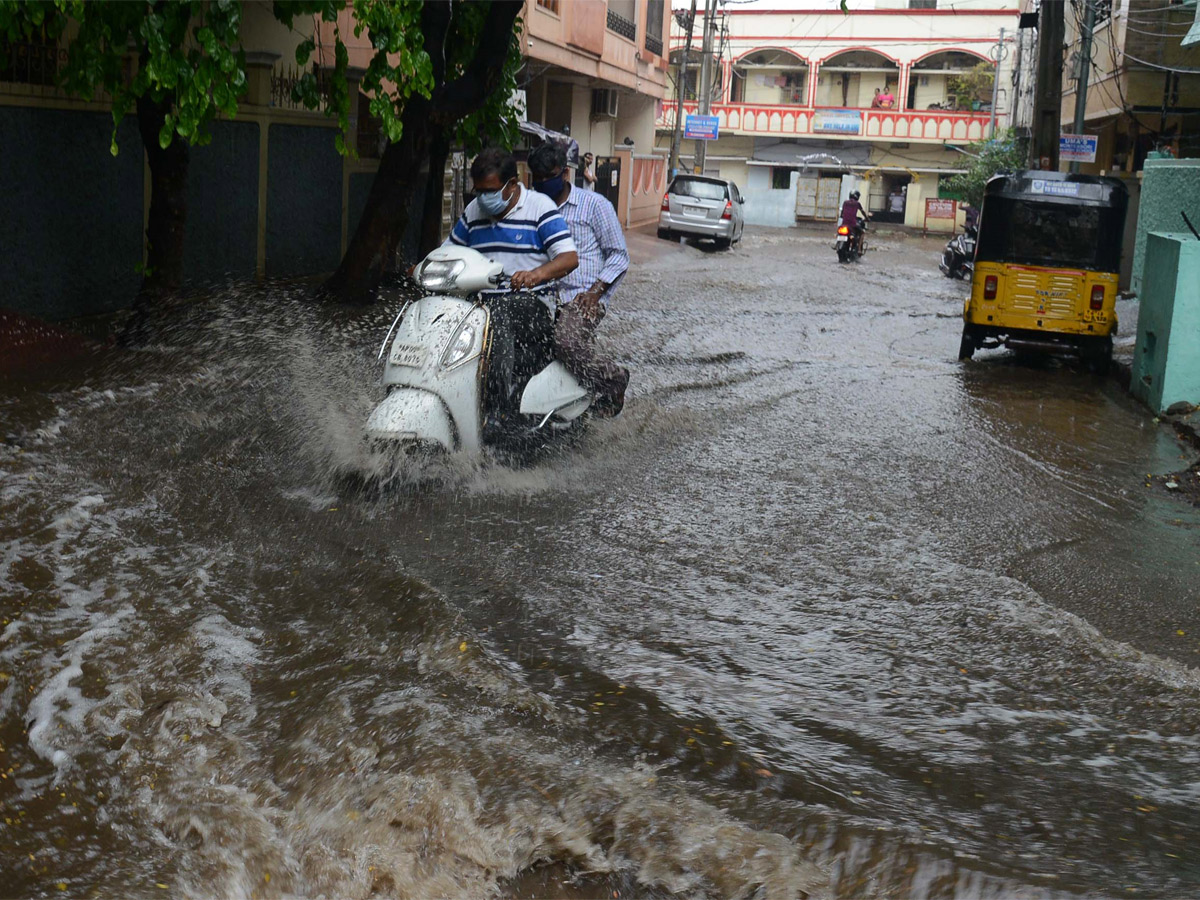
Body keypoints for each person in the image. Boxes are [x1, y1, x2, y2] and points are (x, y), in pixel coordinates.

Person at [446, 148, 579, 419]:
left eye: (490, 191)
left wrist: (536, 275)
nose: (484, 198)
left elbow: (569, 258)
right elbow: (450, 251)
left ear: (512, 185)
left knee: (498, 314)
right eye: (479, 191)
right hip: (478, 306)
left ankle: (499, 411)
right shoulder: (473, 211)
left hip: (532, 306)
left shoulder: (540, 207)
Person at [527, 141, 631, 418]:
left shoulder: (594, 205)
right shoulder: (530, 207)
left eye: (548, 177)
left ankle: (612, 379)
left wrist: (595, 293)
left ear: (564, 173)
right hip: (539, 294)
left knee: (567, 342)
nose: (542, 184)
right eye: (536, 179)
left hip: (582, 296)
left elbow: (619, 256)